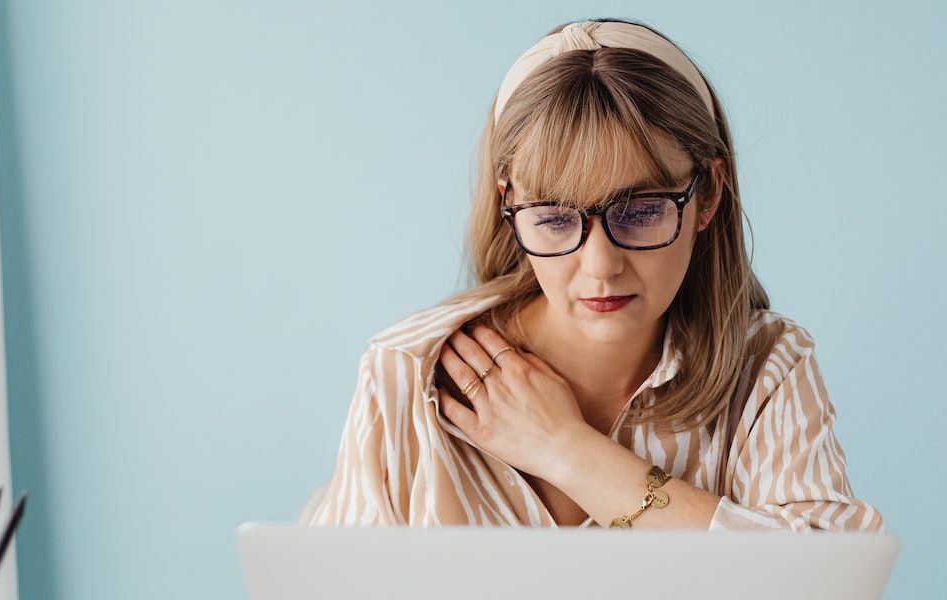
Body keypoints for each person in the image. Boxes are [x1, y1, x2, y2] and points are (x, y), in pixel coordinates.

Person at [305, 17, 884, 531]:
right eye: (554, 218)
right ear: (511, 205)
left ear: (708, 194)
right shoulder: (407, 375)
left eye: (639, 211)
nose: (601, 266)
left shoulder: (768, 370)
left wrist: (570, 451)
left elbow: (821, 582)